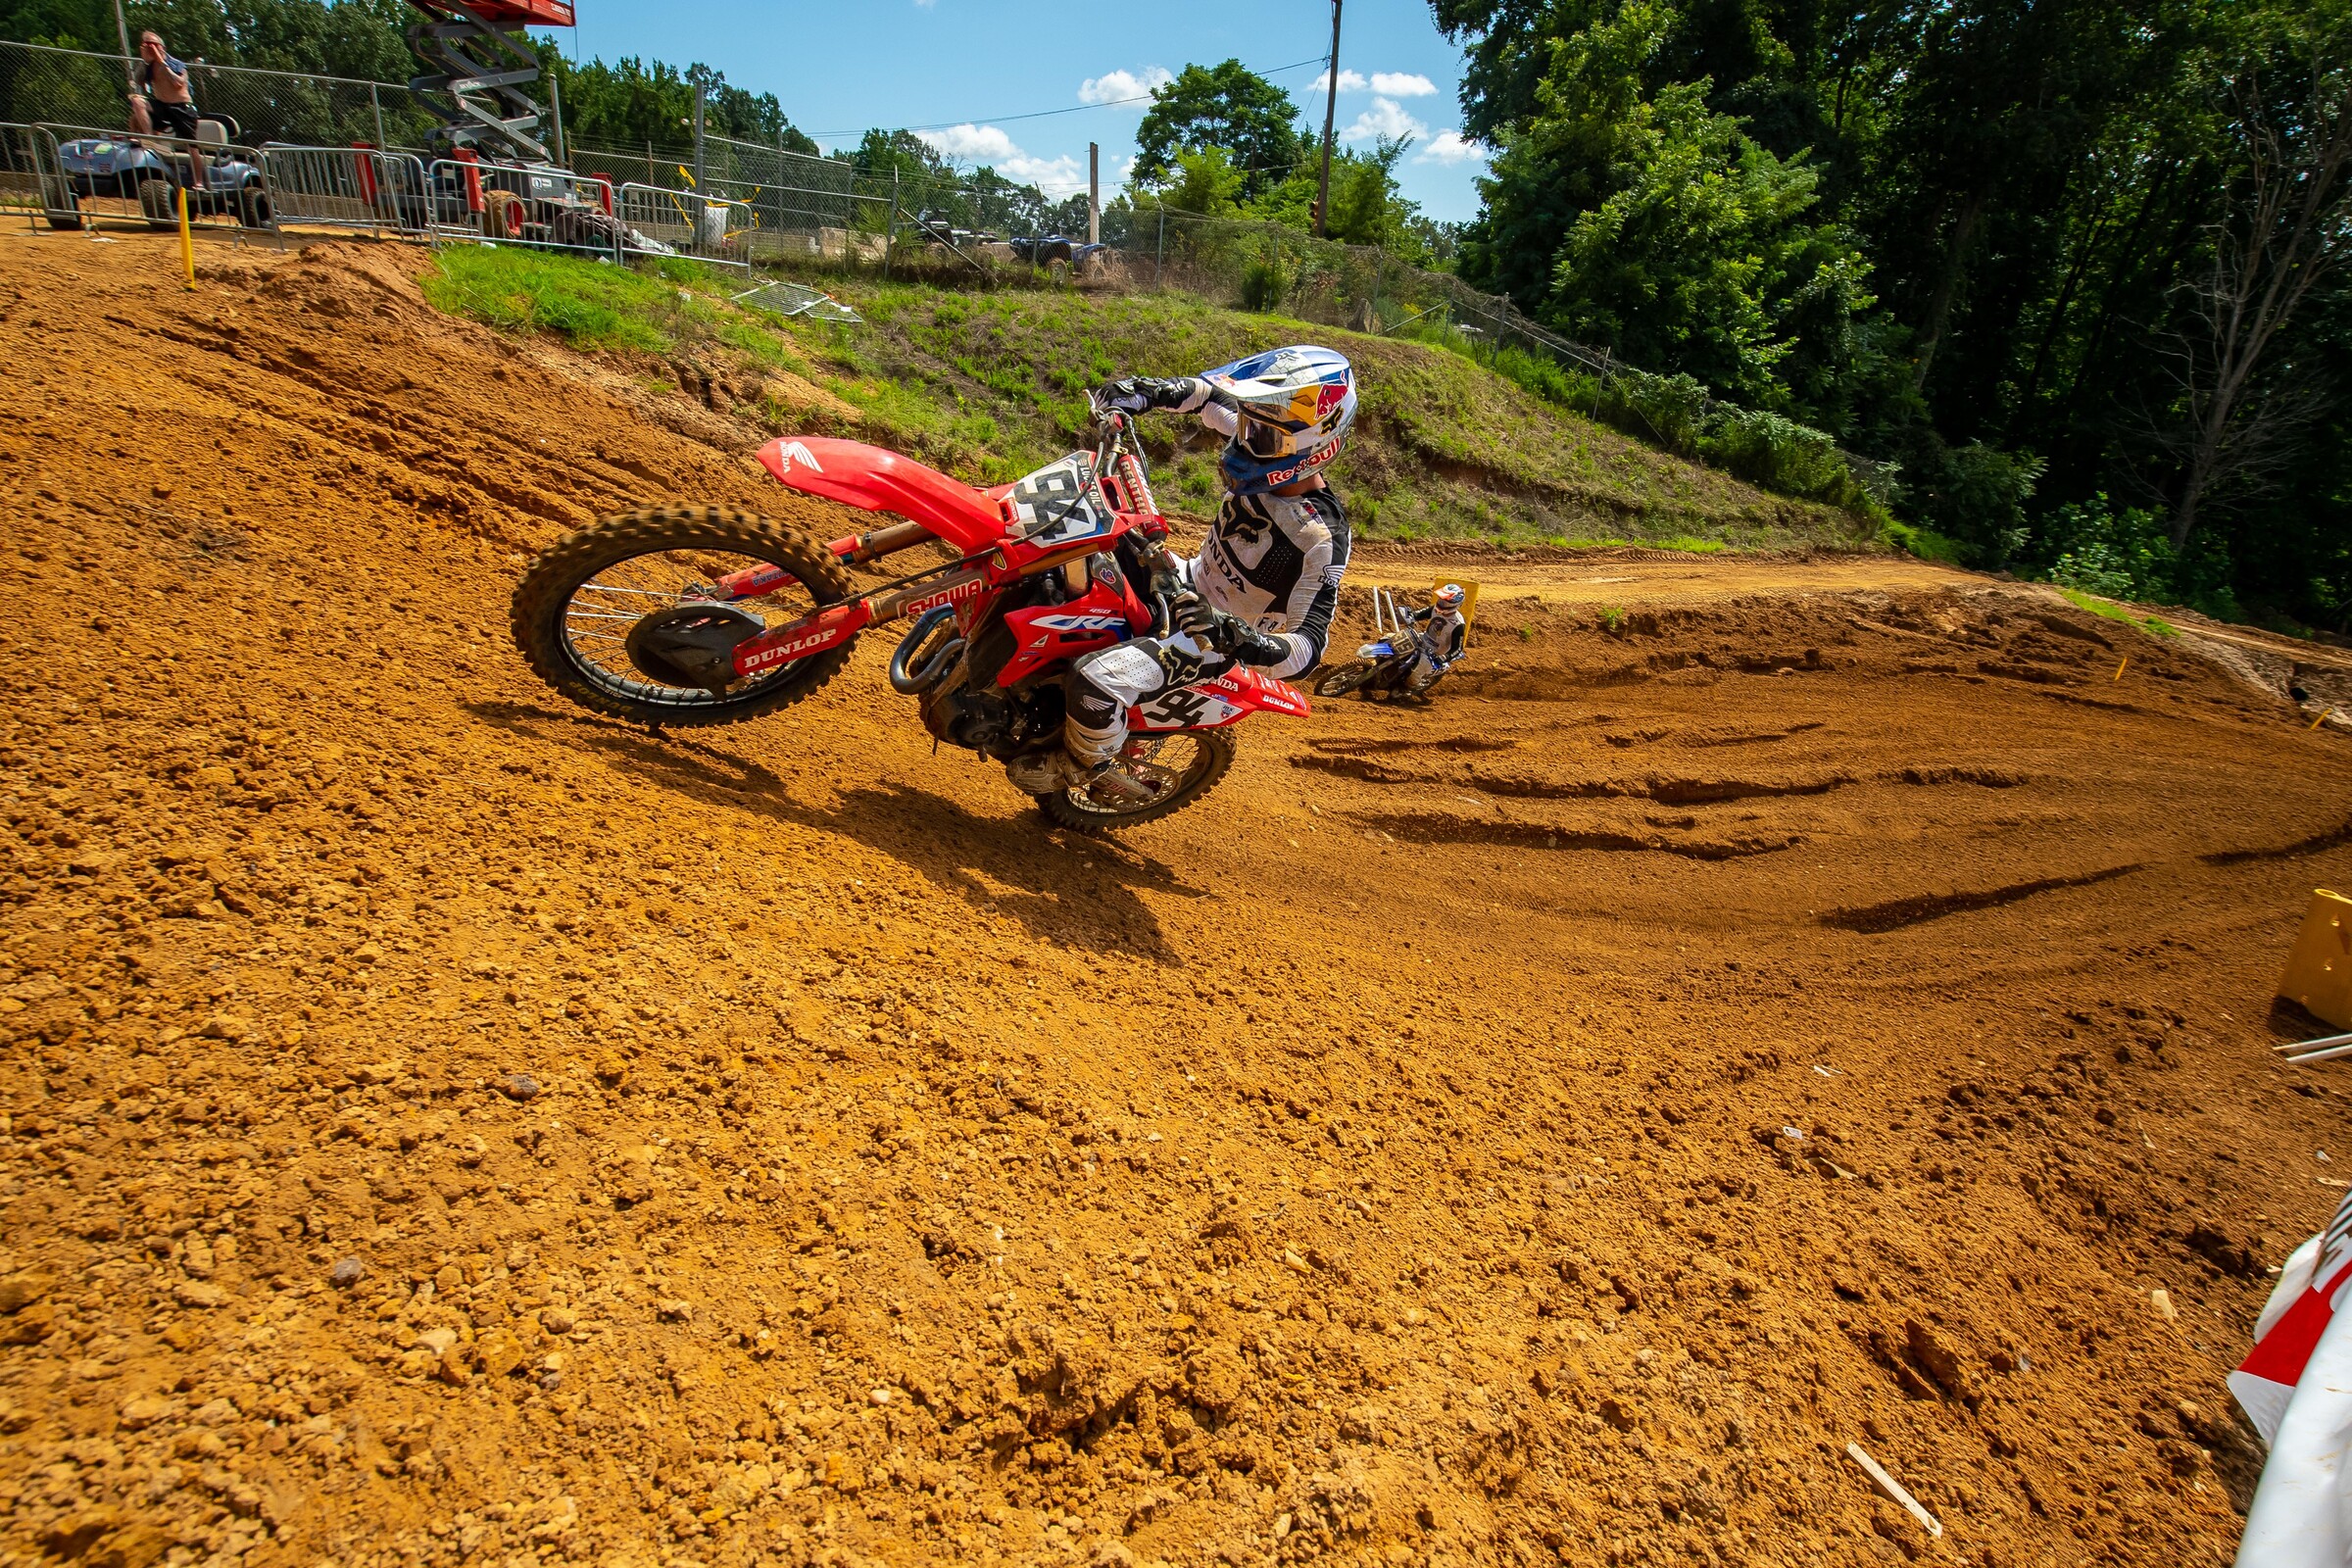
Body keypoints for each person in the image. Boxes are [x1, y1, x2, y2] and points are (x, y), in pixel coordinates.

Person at [1009, 345, 1356, 803]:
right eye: (1249, 425)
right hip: (1181, 579)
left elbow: (1310, 648)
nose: (1246, 439)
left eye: (1262, 435)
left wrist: (1237, 637)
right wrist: (1142, 393)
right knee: (1074, 537)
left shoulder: (1320, 536)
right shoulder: (1267, 440)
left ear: (1315, 448)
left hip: (1213, 641)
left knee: (1095, 679)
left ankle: (1080, 766)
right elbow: (1209, 397)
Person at [126, 31, 200, 142]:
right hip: (162, 105)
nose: (150, 48)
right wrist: (144, 61)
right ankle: (148, 138)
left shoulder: (175, 63)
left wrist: (160, 61)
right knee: (136, 108)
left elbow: (178, 83)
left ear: (163, 48)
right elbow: (137, 81)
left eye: (153, 45)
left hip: (180, 107)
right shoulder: (150, 66)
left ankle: (156, 141)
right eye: (146, 45)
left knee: (192, 146)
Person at [1403, 583, 1468, 697]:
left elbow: (1458, 648)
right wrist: (1410, 615)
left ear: (1455, 603)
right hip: (1423, 639)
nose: (1442, 603)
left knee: (1421, 666)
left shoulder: (1458, 624)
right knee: (1394, 637)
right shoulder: (1435, 608)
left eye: (1445, 601)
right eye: (1441, 599)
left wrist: (1444, 657)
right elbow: (1419, 614)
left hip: (1434, 653)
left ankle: (1407, 689)